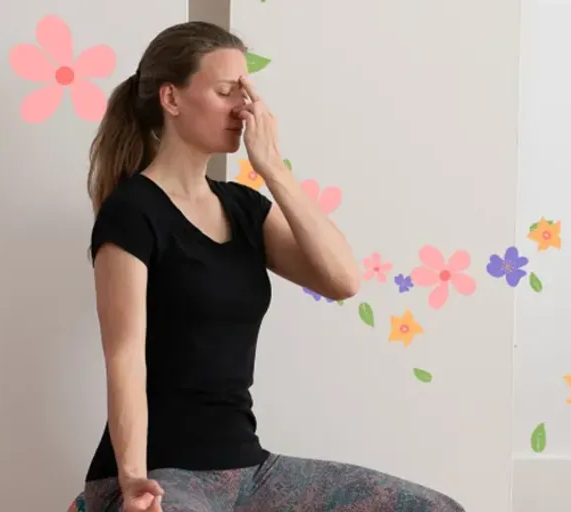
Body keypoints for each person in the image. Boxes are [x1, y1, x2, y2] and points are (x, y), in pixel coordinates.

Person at [82, 21, 465, 512]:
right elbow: (124, 358)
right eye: (226, 91)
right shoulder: (132, 212)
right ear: (171, 98)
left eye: (246, 92)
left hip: (249, 471)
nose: (242, 108)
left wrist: (273, 168)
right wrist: (133, 479)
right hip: (159, 473)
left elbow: (343, 279)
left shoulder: (244, 209)